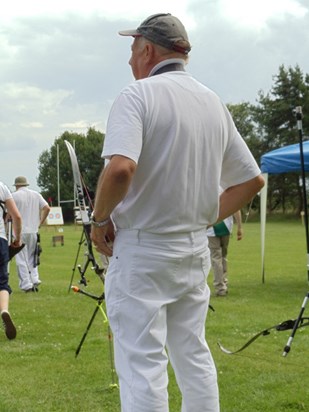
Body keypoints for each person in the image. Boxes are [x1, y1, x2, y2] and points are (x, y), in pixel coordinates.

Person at [90, 13, 265, 412]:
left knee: (142, 364)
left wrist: (99, 222)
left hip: (143, 248)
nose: (130, 59)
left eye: (133, 49)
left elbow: (120, 168)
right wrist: (202, 217)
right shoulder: (212, 102)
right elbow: (252, 180)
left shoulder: (137, 96)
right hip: (192, 249)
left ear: (148, 49)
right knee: (193, 354)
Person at [12, 176, 50, 292]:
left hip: (19, 231)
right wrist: (40, 222)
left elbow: (9, 214)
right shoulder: (36, 194)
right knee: (32, 256)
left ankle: (26, 284)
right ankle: (34, 279)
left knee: (21, 258)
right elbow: (47, 208)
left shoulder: (14, 196)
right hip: (33, 231)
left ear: (17, 185)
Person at [0, 181, 22, 339]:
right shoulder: (2, 187)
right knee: (2, 282)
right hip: (0, 240)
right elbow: (17, 216)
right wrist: (17, 238)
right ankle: (4, 310)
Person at [207, 211, 242, 296]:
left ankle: (220, 288)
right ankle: (223, 282)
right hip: (226, 227)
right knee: (223, 256)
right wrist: (239, 227)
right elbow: (236, 209)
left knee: (216, 258)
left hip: (211, 228)